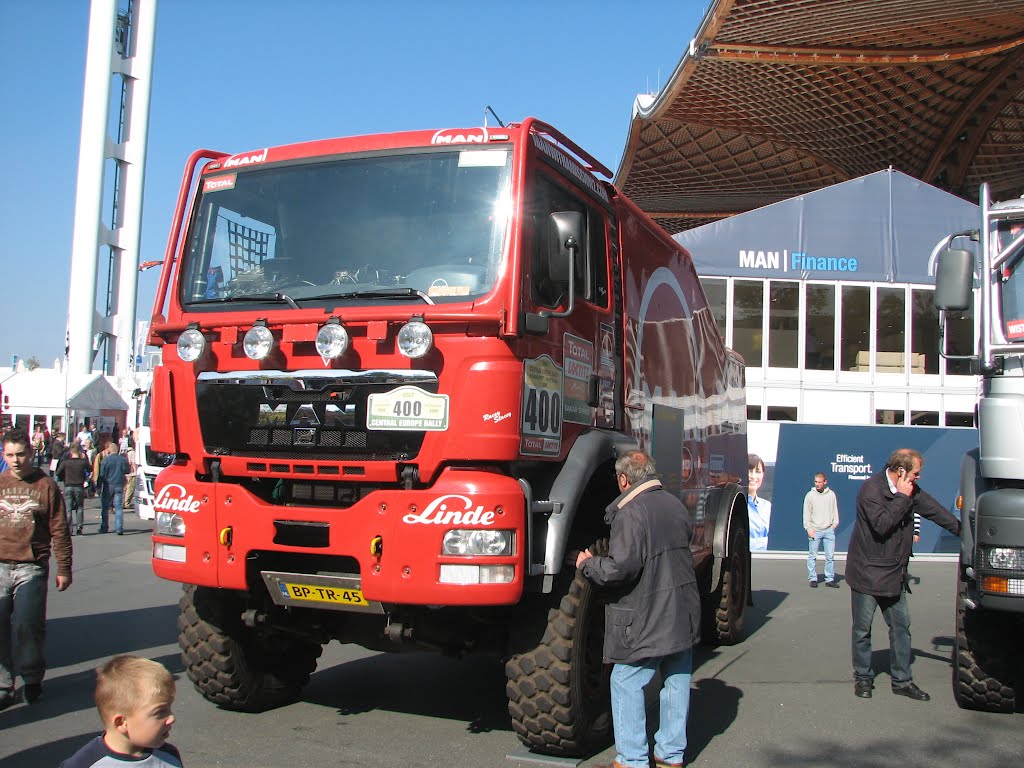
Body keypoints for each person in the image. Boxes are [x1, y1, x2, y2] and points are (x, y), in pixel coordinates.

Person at [576, 450, 700, 768]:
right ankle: (670, 755)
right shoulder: (674, 504)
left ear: (623, 479)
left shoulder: (630, 512)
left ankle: (631, 758)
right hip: (683, 607)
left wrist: (588, 564)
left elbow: (622, 568)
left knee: (625, 680)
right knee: (677, 678)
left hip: (650, 613)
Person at [846, 448, 960, 702]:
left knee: (901, 628)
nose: (918, 478)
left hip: (894, 574)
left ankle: (902, 681)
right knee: (862, 630)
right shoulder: (871, 490)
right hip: (866, 573)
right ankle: (863, 678)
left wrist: (965, 532)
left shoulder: (909, 490)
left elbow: (936, 511)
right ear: (901, 472)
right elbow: (881, 525)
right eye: (916, 473)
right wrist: (901, 498)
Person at [0, 427, 73, 711]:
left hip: (31, 566)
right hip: (1, 564)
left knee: (27, 626)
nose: (15, 460)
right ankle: (5, 685)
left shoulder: (45, 485)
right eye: (9, 455)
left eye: (20, 454)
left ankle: (31, 679)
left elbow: (60, 529)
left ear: (31, 453)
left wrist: (64, 567)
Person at [58, 654, 182, 767]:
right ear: (121, 723)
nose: (171, 718)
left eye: (169, 708)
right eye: (160, 712)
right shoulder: (84, 764)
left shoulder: (169, 756)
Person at [804, 471, 840, 588]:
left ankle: (829, 579)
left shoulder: (831, 495)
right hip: (815, 530)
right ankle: (813, 578)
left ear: (825, 482)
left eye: (819, 482)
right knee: (812, 556)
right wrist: (808, 528)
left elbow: (835, 510)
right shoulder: (810, 495)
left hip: (829, 530)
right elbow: (806, 514)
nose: (817, 484)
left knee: (830, 556)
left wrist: (834, 525)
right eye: (815, 482)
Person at [56, 442, 91, 535]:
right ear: (79, 451)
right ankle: (79, 527)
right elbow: (90, 469)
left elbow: (58, 472)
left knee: (68, 509)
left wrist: (63, 477)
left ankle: (69, 528)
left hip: (68, 485)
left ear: (71, 451)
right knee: (79, 507)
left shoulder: (66, 462)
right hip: (79, 486)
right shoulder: (83, 462)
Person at [97, 445, 131, 535]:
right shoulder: (123, 460)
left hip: (108, 485)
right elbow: (127, 470)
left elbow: (102, 475)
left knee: (105, 507)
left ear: (109, 450)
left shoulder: (106, 460)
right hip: (119, 484)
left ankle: (104, 527)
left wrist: (98, 486)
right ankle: (119, 528)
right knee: (118, 507)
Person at [747, 453, 772, 551]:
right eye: (749, 471)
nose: (753, 476)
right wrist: (769, 543)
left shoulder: (768, 507)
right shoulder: (734, 506)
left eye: (758, 471)